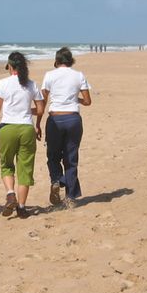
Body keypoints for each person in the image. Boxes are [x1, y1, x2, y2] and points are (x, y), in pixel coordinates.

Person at [0, 52, 44, 219]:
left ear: (10, 67)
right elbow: (41, 110)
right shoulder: (32, 84)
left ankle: (10, 193)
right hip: (27, 129)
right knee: (25, 169)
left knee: (7, 165)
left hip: (7, 129)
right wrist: (34, 121)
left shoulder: (3, 83)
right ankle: (21, 207)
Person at [41, 47, 91, 209]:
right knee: (71, 158)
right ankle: (70, 197)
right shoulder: (79, 75)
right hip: (73, 118)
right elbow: (88, 101)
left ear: (56, 60)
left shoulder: (49, 75)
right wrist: (75, 99)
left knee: (53, 154)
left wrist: (37, 122)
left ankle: (56, 180)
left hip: (55, 118)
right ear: (70, 61)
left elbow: (42, 100)